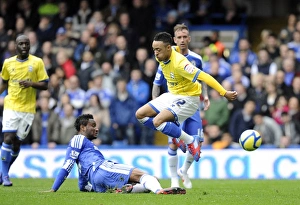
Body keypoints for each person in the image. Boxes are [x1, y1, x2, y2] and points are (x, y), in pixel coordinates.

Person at [136, 31, 237, 163]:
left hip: (188, 98)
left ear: (167, 48)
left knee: (157, 121)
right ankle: (176, 135)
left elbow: (204, 76)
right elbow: (175, 47)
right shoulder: (163, 54)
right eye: (154, 49)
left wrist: (224, 92)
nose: (155, 53)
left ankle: (189, 140)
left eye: (158, 50)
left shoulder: (181, 64)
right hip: (172, 95)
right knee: (140, 115)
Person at [44, 114, 186, 194]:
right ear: (82, 127)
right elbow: (67, 165)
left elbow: (82, 185)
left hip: (97, 182)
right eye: (93, 126)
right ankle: (159, 191)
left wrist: (94, 187)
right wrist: (54, 188)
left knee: (146, 184)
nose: (97, 128)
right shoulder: (78, 139)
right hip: (102, 168)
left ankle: (127, 190)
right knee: (145, 176)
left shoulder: (84, 153)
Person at [152, 24, 210, 189]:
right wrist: (155, 104)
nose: (182, 40)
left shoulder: (196, 58)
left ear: (189, 38)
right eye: (179, 37)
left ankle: (184, 170)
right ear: (174, 40)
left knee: (197, 142)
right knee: (173, 144)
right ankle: (174, 181)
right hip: (175, 105)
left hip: (192, 104)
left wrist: (205, 96)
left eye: (185, 37)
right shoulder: (166, 57)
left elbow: (202, 78)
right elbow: (156, 84)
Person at [0, 34, 49, 186]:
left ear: (29, 45)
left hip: (28, 109)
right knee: (7, 138)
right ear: (15, 46)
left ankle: (3, 173)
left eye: (26, 44)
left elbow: (45, 84)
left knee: (16, 143)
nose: (24, 46)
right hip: (11, 105)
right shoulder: (8, 63)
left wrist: (31, 84)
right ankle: (5, 175)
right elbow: (3, 82)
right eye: (21, 44)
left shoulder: (37, 62)